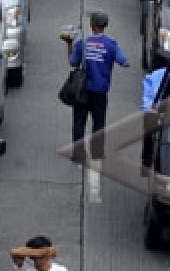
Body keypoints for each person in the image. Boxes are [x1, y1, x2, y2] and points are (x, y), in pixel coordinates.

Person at [62, 11, 129, 204]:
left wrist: (69, 45)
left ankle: (78, 155)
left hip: (82, 91)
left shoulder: (82, 45)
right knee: (99, 124)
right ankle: (97, 154)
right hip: (100, 92)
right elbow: (124, 61)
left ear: (92, 25)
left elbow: (73, 62)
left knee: (79, 122)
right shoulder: (111, 45)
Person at [140, 67, 167, 171]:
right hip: (155, 110)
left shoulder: (155, 74)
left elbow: (147, 95)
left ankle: (145, 163)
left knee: (148, 136)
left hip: (152, 109)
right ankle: (147, 162)